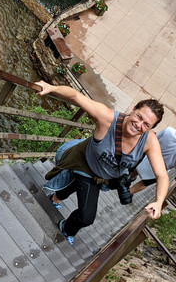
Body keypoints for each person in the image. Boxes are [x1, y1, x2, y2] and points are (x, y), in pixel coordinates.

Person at [35, 81, 168, 245]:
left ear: (151, 128)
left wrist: (159, 201)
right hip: (85, 165)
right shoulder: (108, 118)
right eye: (139, 117)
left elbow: (161, 175)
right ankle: (66, 227)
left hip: (107, 177)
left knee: (79, 186)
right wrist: (52, 88)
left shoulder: (149, 141)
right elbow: (76, 96)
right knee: (86, 217)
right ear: (133, 109)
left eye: (146, 124)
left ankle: (56, 200)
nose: (139, 125)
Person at [129, 122, 176, 191]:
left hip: (148, 158)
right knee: (144, 183)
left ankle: (127, 179)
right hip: (158, 171)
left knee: (136, 170)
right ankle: (127, 193)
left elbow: (153, 139)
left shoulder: (169, 130)